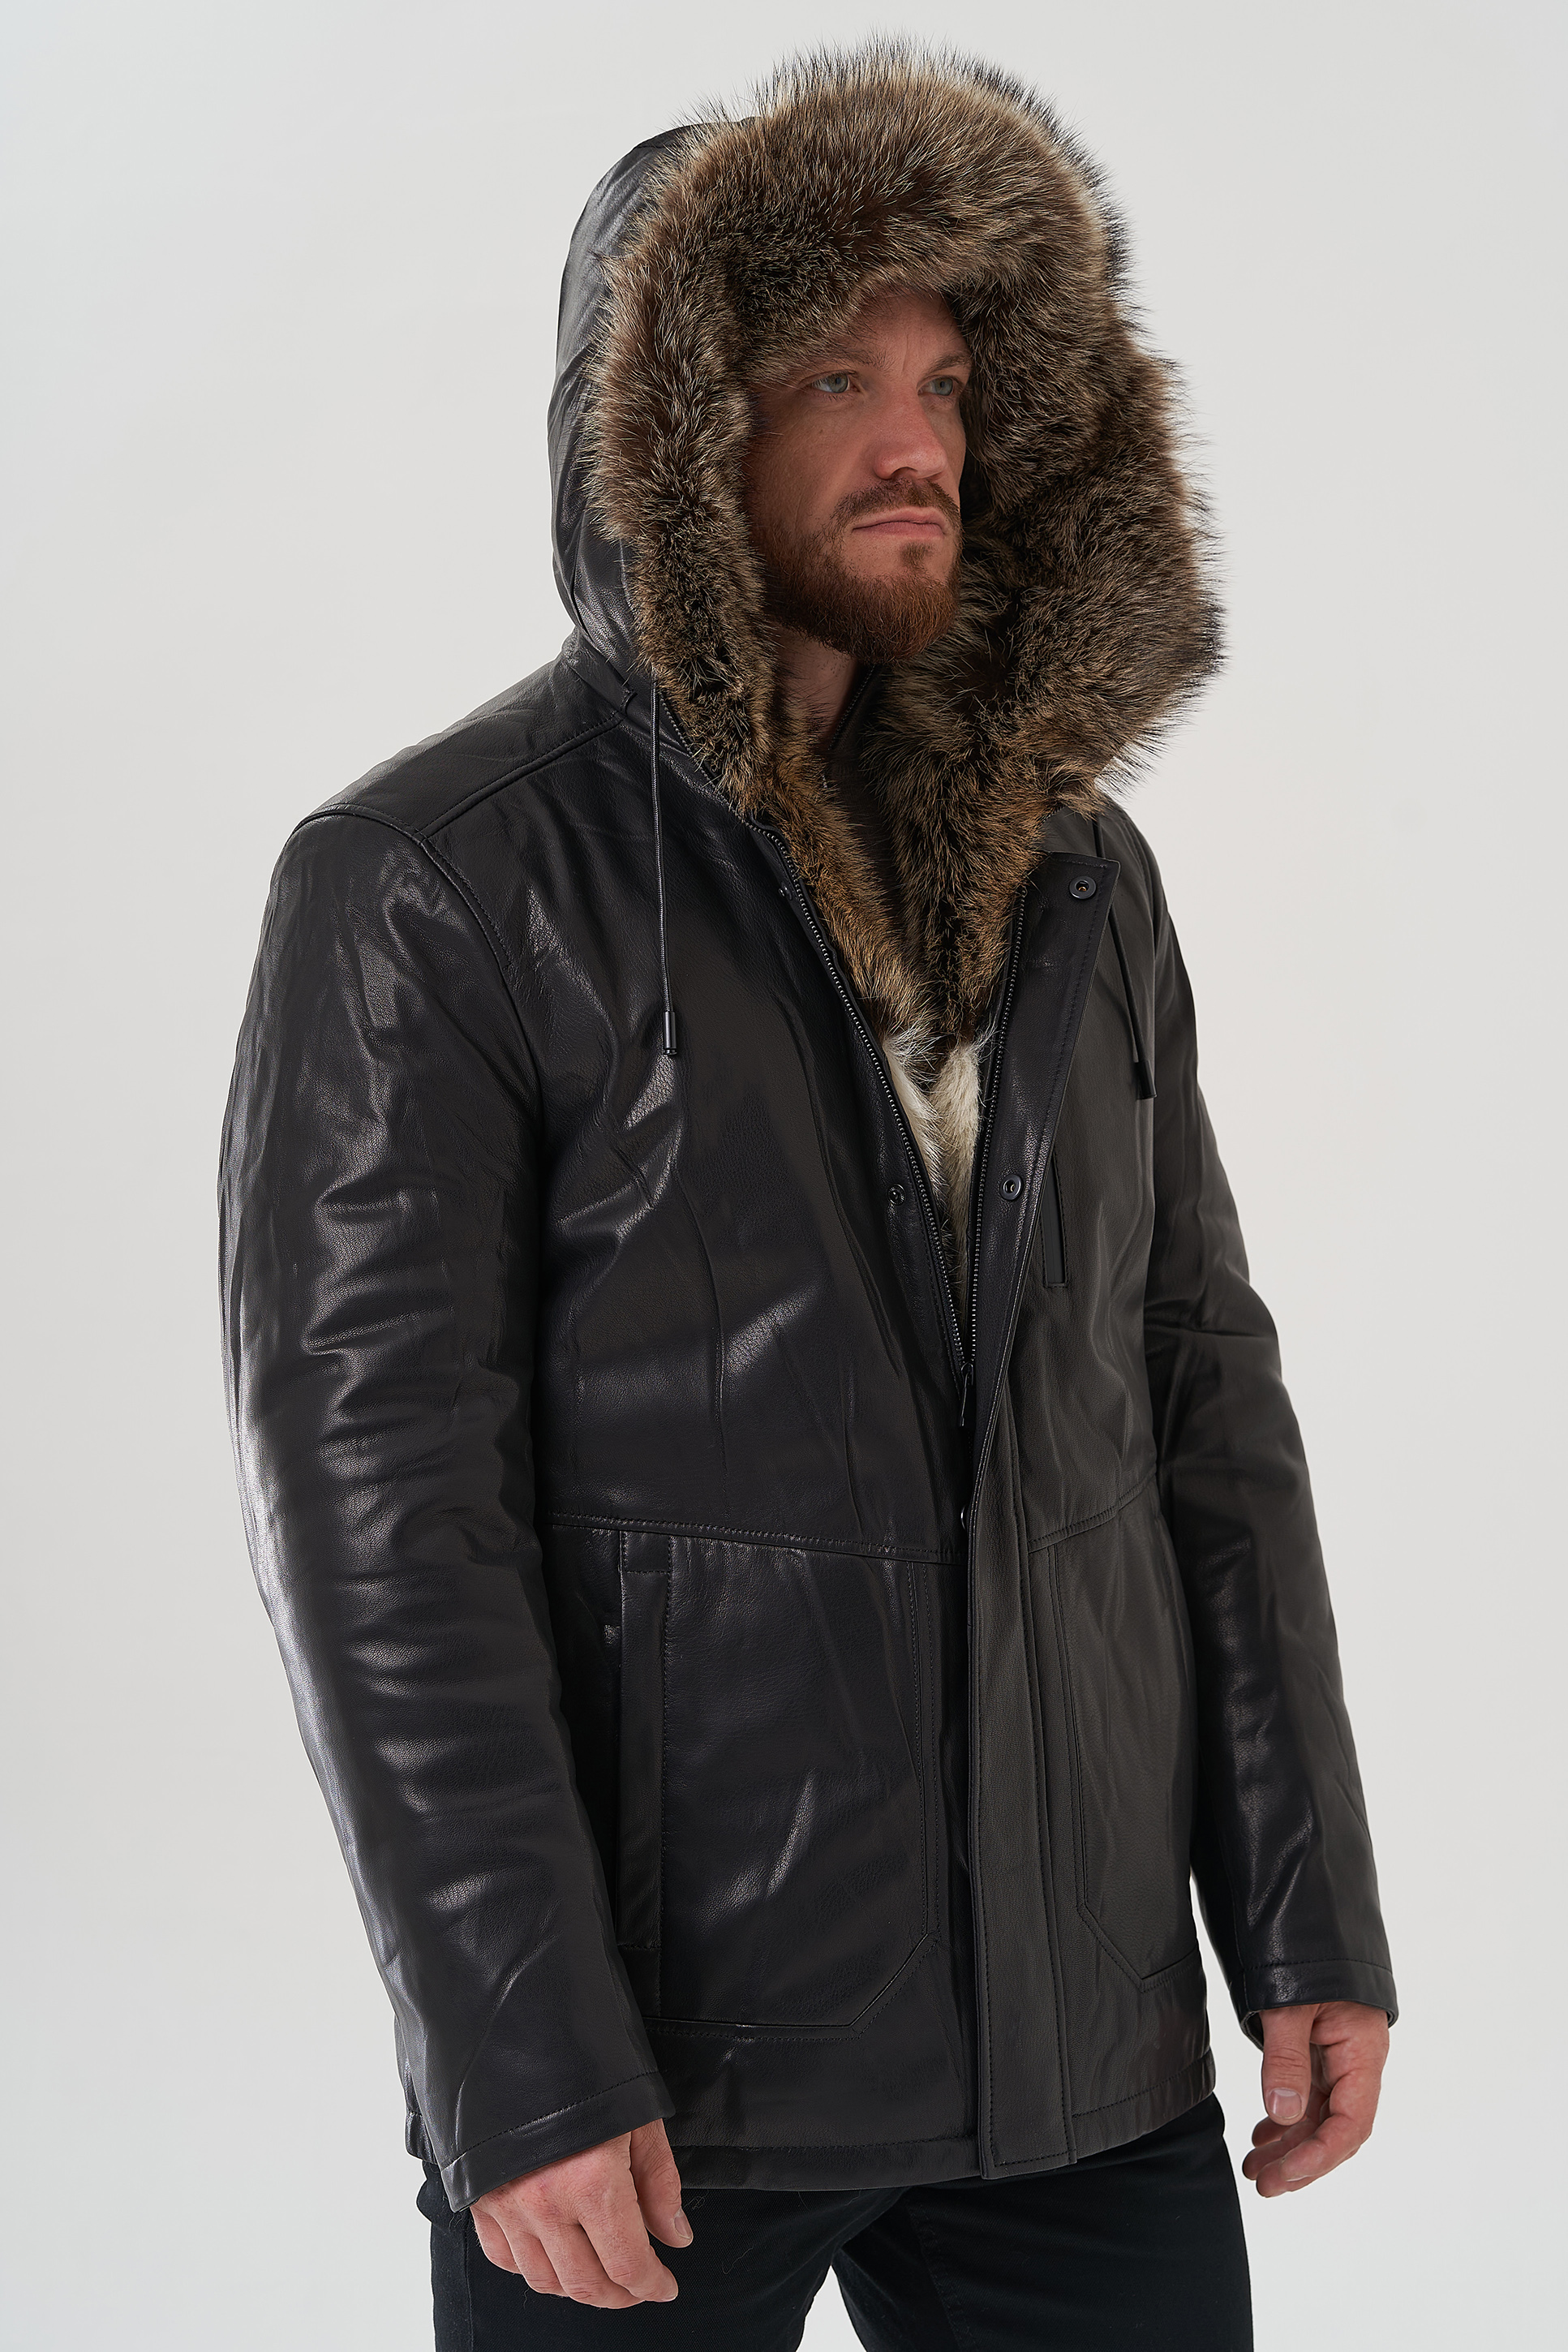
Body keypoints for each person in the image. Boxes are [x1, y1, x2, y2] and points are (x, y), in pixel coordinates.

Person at [220, 44, 1395, 2350]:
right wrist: (517, 2048)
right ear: (665, 428)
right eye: (835, 376)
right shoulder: (433, 883)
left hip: (1080, 2051)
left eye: (947, 383)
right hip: (658, 2075)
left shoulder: (1084, 876)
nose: (915, 441)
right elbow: (381, 1511)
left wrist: (1302, 1907)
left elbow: (1197, 1391)